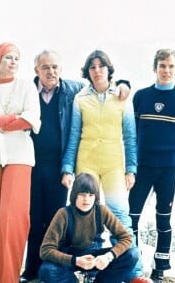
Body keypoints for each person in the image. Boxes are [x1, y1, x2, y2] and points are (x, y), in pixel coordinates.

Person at [20, 49, 132, 282]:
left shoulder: (71, 90)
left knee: (56, 218)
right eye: (45, 67)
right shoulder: (28, 91)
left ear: (60, 69)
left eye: (55, 67)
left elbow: (100, 81)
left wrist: (123, 83)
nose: (51, 72)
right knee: (34, 218)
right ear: (36, 70)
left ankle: (71, 267)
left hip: (60, 167)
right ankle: (34, 271)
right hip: (31, 165)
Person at [61, 49, 144, 282]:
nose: (97, 71)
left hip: (113, 164)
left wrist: (131, 169)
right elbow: (74, 136)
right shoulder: (80, 98)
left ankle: (134, 273)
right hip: (86, 162)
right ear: (88, 72)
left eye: (101, 66)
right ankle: (92, 269)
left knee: (120, 215)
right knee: (87, 215)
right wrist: (68, 168)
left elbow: (130, 137)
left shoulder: (121, 97)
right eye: (92, 67)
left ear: (109, 69)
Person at [128, 49, 175, 283]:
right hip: (142, 167)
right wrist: (132, 161)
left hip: (168, 170)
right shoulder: (141, 97)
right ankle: (133, 265)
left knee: (163, 218)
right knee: (131, 217)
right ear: (154, 68)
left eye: (170, 66)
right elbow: (131, 134)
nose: (166, 70)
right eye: (162, 66)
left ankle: (159, 268)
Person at [0, 42, 41, 283]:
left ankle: (8, 279)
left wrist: (0, 122)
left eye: (16, 58)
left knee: (11, 220)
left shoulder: (26, 87)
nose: (13, 62)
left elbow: (32, 119)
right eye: (7, 58)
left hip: (19, 157)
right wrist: (14, 119)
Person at [39, 173, 145, 283]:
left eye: (91, 195)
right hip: (70, 256)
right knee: (47, 270)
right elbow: (45, 250)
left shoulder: (101, 210)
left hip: (94, 255)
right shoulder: (63, 214)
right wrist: (76, 261)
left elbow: (126, 238)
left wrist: (108, 257)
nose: (87, 199)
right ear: (75, 195)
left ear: (96, 197)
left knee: (132, 254)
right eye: (82, 195)